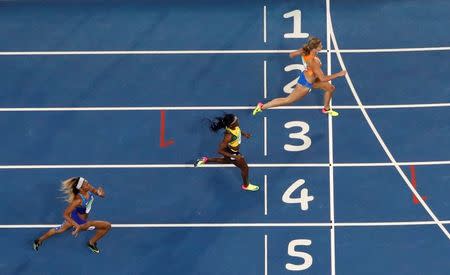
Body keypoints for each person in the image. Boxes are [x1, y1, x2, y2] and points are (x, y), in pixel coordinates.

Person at [253, 36, 347, 116]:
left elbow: (291, 55)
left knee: (330, 88)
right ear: (314, 48)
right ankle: (261, 106)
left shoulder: (305, 50)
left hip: (313, 78)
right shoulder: (313, 62)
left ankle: (326, 109)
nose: (322, 46)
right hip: (305, 83)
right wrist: (339, 74)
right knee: (288, 100)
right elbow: (323, 78)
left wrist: (299, 53)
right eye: (320, 46)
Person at [32, 177, 111, 253]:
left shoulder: (89, 190)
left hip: (77, 215)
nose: (89, 185)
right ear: (80, 189)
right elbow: (65, 214)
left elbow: (96, 191)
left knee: (60, 229)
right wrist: (77, 226)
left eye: (88, 183)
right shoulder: (78, 200)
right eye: (86, 184)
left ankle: (39, 240)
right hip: (81, 222)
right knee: (107, 226)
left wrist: (100, 194)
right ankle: (91, 243)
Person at [194, 113, 259, 191]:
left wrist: (244, 134)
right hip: (233, 153)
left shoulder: (235, 126)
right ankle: (246, 185)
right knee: (245, 168)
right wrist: (235, 157)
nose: (237, 119)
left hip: (231, 151)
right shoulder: (228, 136)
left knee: (226, 161)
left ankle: (205, 160)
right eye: (236, 120)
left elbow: (238, 130)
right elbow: (220, 150)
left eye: (236, 118)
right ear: (231, 125)